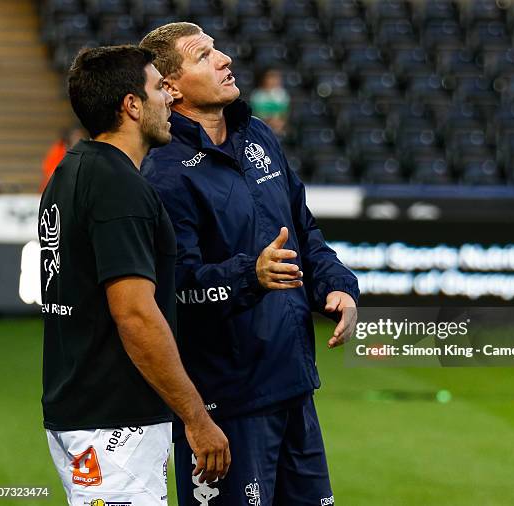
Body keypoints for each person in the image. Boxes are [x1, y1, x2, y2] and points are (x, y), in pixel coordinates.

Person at [140, 23, 359, 505]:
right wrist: (250, 275)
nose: (224, 60)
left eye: (219, 49)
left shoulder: (258, 134)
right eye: (204, 56)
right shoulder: (163, 172)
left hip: (294, 384)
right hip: (226, 402)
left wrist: (337, 284)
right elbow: (175, 289)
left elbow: (304, 230)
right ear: (170, 86)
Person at [39, 45, 230, 506]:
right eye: (158, 89)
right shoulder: (119, 187)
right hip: (113, 425)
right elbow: (136, 317)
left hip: (79, 413)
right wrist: (197, 418)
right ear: (131, 105)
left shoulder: (70, 171)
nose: (169, 99)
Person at [40, 124, 85, 192]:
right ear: (70, 137)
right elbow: (50, 173)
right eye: (75, 136)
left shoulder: (86, 152)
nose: (78, 139)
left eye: (80, 136)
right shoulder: (59, 150)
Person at [250, 69, 290, 137]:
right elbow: (257, 114)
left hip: (279, 126)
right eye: (271, 77)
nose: (274, 81)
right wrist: (269, 121)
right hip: (263, 126)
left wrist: (279, 122)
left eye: (276, 78)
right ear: (264, 79)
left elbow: (285, 114)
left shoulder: (282, 94)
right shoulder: (257, 95)